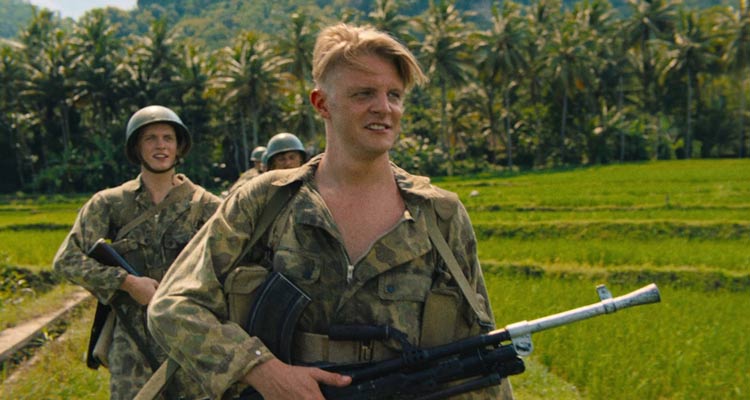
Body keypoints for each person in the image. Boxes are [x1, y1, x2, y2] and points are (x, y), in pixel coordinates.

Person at [147, 24, 511, 400]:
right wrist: (260, 369)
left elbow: (479, 348)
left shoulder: (440, 215)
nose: (384, 108)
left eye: (394, 95)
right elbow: (172, 306)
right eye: (364, 94)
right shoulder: (266, 202)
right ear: (322, 103)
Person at [53, 105, 220, 400]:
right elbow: (66, 260)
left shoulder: (207, 206)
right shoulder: (109, 204)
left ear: (179, 146)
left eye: (168, 138)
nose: (160, 146)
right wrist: (127, 283)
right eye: (150, 138)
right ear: (136, 148)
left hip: (191, 340)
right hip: (131, 344)